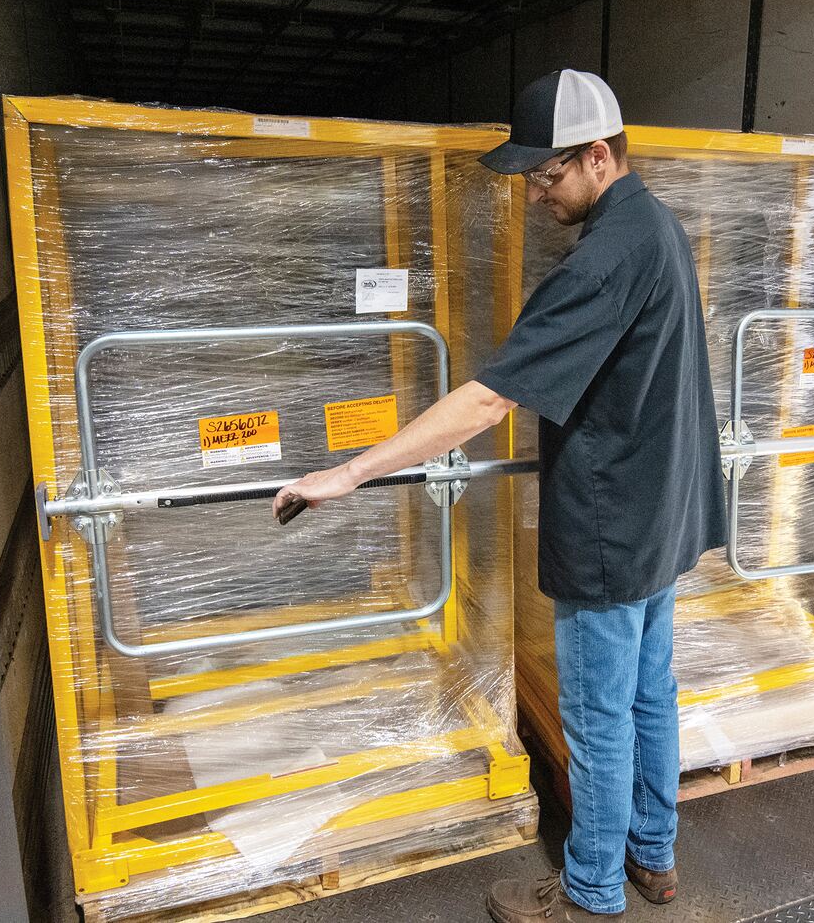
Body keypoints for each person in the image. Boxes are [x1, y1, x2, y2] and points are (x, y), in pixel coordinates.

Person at [273, 69, 727, 921]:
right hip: (663, 513)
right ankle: (652, 855)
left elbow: (487, 401)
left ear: (598, 157)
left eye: (546, 175)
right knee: (649, 693)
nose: (535, 194)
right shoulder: (660, 227)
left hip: (612, 528)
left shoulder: (602, 261)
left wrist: (349, 472)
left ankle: (591, 890)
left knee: (598, 718)